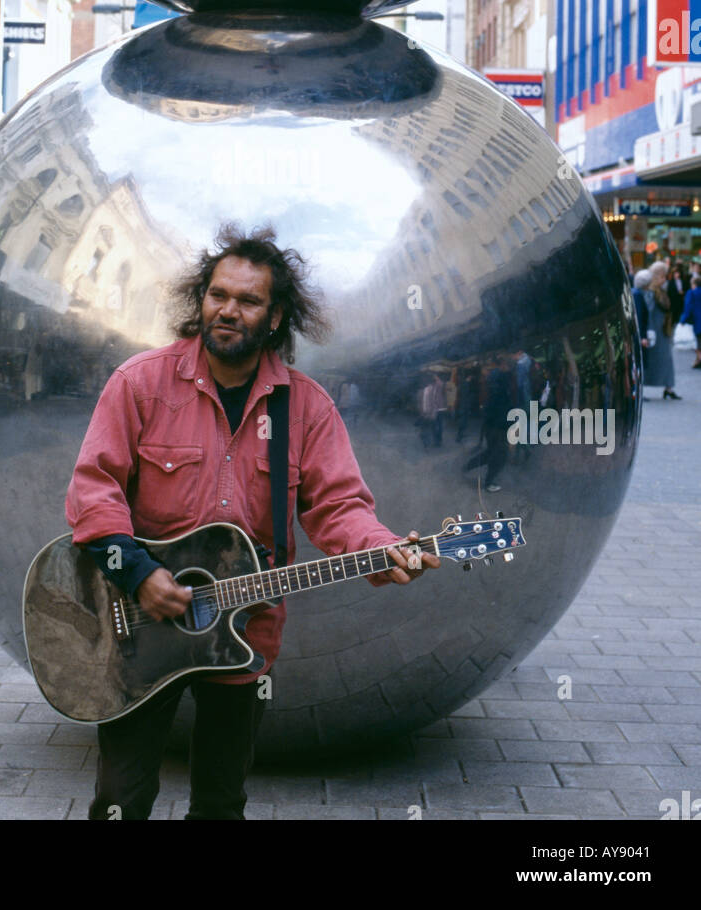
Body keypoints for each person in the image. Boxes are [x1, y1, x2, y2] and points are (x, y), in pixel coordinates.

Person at [66, 224, 439, 820]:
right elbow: (94, 490)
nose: (228, 310)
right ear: (201, 298)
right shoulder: (140, 383)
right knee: (120, 799)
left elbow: (339, 506)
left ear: (275, 316)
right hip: (137, 628)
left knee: (221, 803)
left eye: (247, 300)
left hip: (245, 633)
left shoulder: (306, 407)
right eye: (218, 294)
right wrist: (138, 573)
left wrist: (383, 547)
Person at [463, 355, 513, 491]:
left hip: (491, 423)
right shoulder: (503, 380)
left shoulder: (493, 380)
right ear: (504, 365)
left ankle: (469, 465)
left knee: (491, 452)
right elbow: (505, 406)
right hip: (499, 424)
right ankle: (489, 483)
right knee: (500, 455)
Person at [633, 265, 680, 400]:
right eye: (662, 276)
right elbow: (646, 312)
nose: (664, 279)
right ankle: (665, 388)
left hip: (660, 331)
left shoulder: (655, 291)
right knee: (648, 361)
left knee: (662, 360)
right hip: (654, 332)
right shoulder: (650, 292)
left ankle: (668, 387)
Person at [680, 274, 701, 369]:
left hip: (696, 321)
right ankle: (697, 361)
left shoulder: (691, 293)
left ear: (694, 284)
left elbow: (688, 307)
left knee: (696, 343)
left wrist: (683, 320)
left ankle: (699, 359)